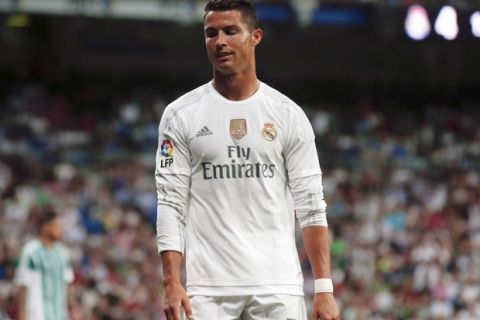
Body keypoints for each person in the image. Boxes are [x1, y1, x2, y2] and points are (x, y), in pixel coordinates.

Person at [155, 0, 340, 319]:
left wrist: (324, 288)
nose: (220, 41)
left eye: (230, 31)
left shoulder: (287, 116)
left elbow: (310, 205)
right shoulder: (179, 116)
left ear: (255, 36)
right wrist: (172, 282)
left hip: (277, 287)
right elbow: (170, 204)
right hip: (209, 291)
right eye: (211, 33)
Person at [15, 211, 75, 320]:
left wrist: (75, 310)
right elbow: (23, 286)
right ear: (45, 228)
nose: (60, 230)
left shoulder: (62, 252)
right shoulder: (31, 252)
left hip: (59, 314)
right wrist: (22, 315)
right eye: (56, 226)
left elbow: (67, 284)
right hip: (37, 314)